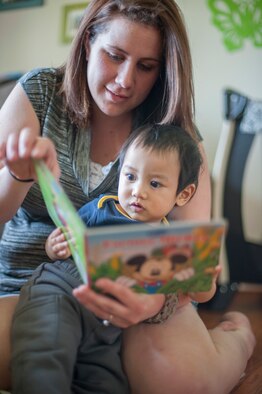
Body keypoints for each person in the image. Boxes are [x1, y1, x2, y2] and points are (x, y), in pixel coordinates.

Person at [0, 0, 255, 392]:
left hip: (142, 291)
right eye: (114, 56)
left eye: (146, 66)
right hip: (33, 282)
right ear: (87, 42)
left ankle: (235, 339)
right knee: (40, 358)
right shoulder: (39, 93)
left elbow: (187, 258)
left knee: (181, 383)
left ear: (164, 69)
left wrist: (151, 300)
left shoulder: (175, 139)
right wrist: (18, 176)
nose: (124, 80)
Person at [11, 123, 215, 394]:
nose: (137, 191)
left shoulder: (173, 243)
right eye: (130, 176)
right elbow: (64, 236)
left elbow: (199, 293)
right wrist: (54, 246)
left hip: (108, 327)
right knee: (47, 353)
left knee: (107, 383)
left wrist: (205, 282)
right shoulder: (102, 208)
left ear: (183, 194)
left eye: (154, 184)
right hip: (63, 289)